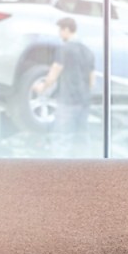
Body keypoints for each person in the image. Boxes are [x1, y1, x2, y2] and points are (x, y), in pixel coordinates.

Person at [34, 17, 95, 157]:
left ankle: (60, 176)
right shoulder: (88, 51)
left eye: (60, 30)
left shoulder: (64, 49)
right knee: (82, 140)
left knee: (62, 141)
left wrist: (42, 87)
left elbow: (53, 74)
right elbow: (92, 80)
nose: (59, 34)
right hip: (84, 102)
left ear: (66, 29)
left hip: (67, 102)